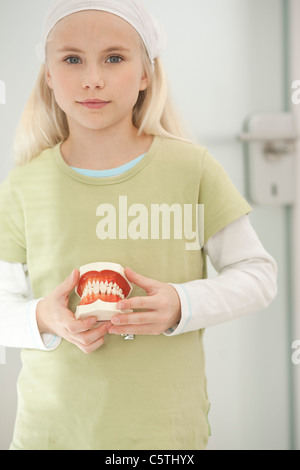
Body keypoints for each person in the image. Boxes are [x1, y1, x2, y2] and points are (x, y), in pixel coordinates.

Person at [0, 0, 277, 450]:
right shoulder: (23, 186)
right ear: (49, 75)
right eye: (72, 59)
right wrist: (42, 316)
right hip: (51, 434)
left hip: (164, 433)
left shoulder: (192, 169)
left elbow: (258, 275)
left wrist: (181, 304)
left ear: (146, 73)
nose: (92, 78)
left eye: (114, 57)